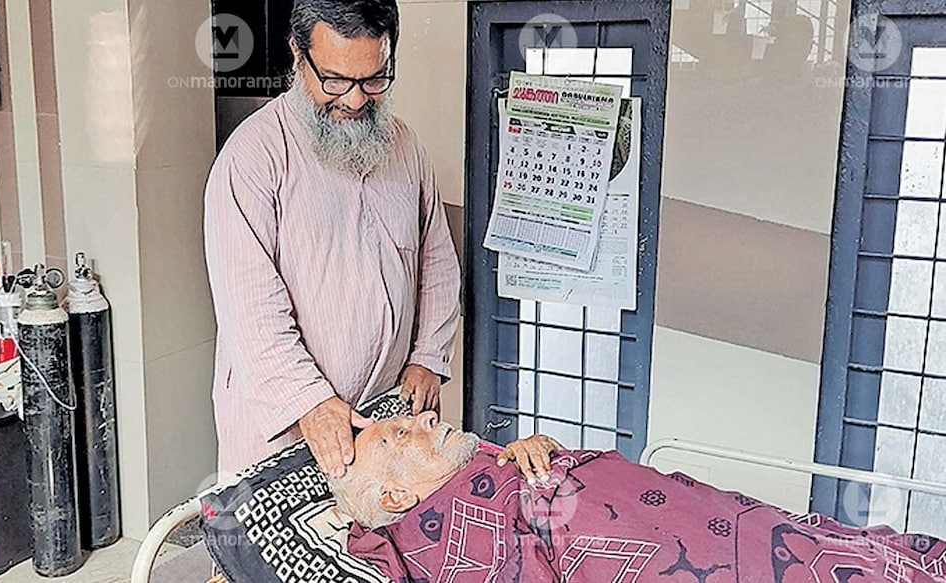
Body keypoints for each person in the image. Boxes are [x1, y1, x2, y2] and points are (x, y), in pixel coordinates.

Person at [204, 0, 461, 477]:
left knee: (376, 545)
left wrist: (428, 357)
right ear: (297, 55)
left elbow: (438, 263)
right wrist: (312, 403)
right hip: (289, 419)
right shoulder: (254, 157)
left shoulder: (406, 148)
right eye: (336, 81)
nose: (355, 100)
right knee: (289, 546)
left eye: (374, 79)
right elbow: (250, 309)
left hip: (387, 414)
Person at [331, 412, 946, 582]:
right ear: (395, 492)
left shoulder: (486, 463)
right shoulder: (447, 545)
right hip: (658, 557)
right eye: (399, 435)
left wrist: (532, 452)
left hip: (705, 517)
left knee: (824, 542)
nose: (421, 418)